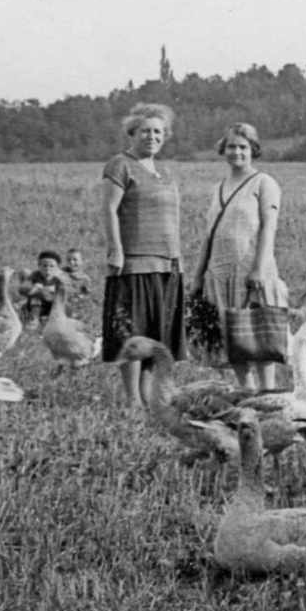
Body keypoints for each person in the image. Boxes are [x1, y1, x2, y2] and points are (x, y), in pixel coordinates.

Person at [188, 122, 288, 391]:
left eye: (243, 147)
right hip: (219, 272)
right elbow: (209, 235)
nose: (237, 152)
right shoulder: (218, 187)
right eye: (231, 146)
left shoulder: (264, 183)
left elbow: (269, 227)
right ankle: (247, 391)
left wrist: (259, 268)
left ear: (253, 150)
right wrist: (198, 275)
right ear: (224, 149)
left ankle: (268, 392)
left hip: (251, 270)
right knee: (230, 337)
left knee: (259, 335)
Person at [101, 102, 185, 408]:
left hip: (167, 261)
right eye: (145, 131)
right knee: (132, 328)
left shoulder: (165, 172)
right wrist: (116, 249)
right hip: (134, 260)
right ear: (132, 133)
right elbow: (110, 209)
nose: (152, 137)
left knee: (156, 330)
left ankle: (148, 395)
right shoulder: (120, 165)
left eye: (158, 132)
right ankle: (132, 400)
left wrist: (177, 256)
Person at [16, 250, 67, 323]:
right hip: (37, 306)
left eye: (52, 266)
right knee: (36, 298)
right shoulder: (35, 275)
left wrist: (49, 290)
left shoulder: (60, 279)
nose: (48, 269)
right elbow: (22, 288)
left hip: (53, 306)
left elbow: (67, 292)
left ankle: (55, 320)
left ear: (57, 268)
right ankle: (34, 320)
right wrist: (34, 288)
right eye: (44, 266)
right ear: (39, 266)